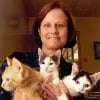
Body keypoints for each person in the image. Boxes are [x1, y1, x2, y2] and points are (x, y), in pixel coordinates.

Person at [0, 0, 84, 100]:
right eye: (47, 25)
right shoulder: (16, 61)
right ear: (39, 31)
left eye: (60, 25)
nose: (53, 31)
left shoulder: (74, 73)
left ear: (68, 32)